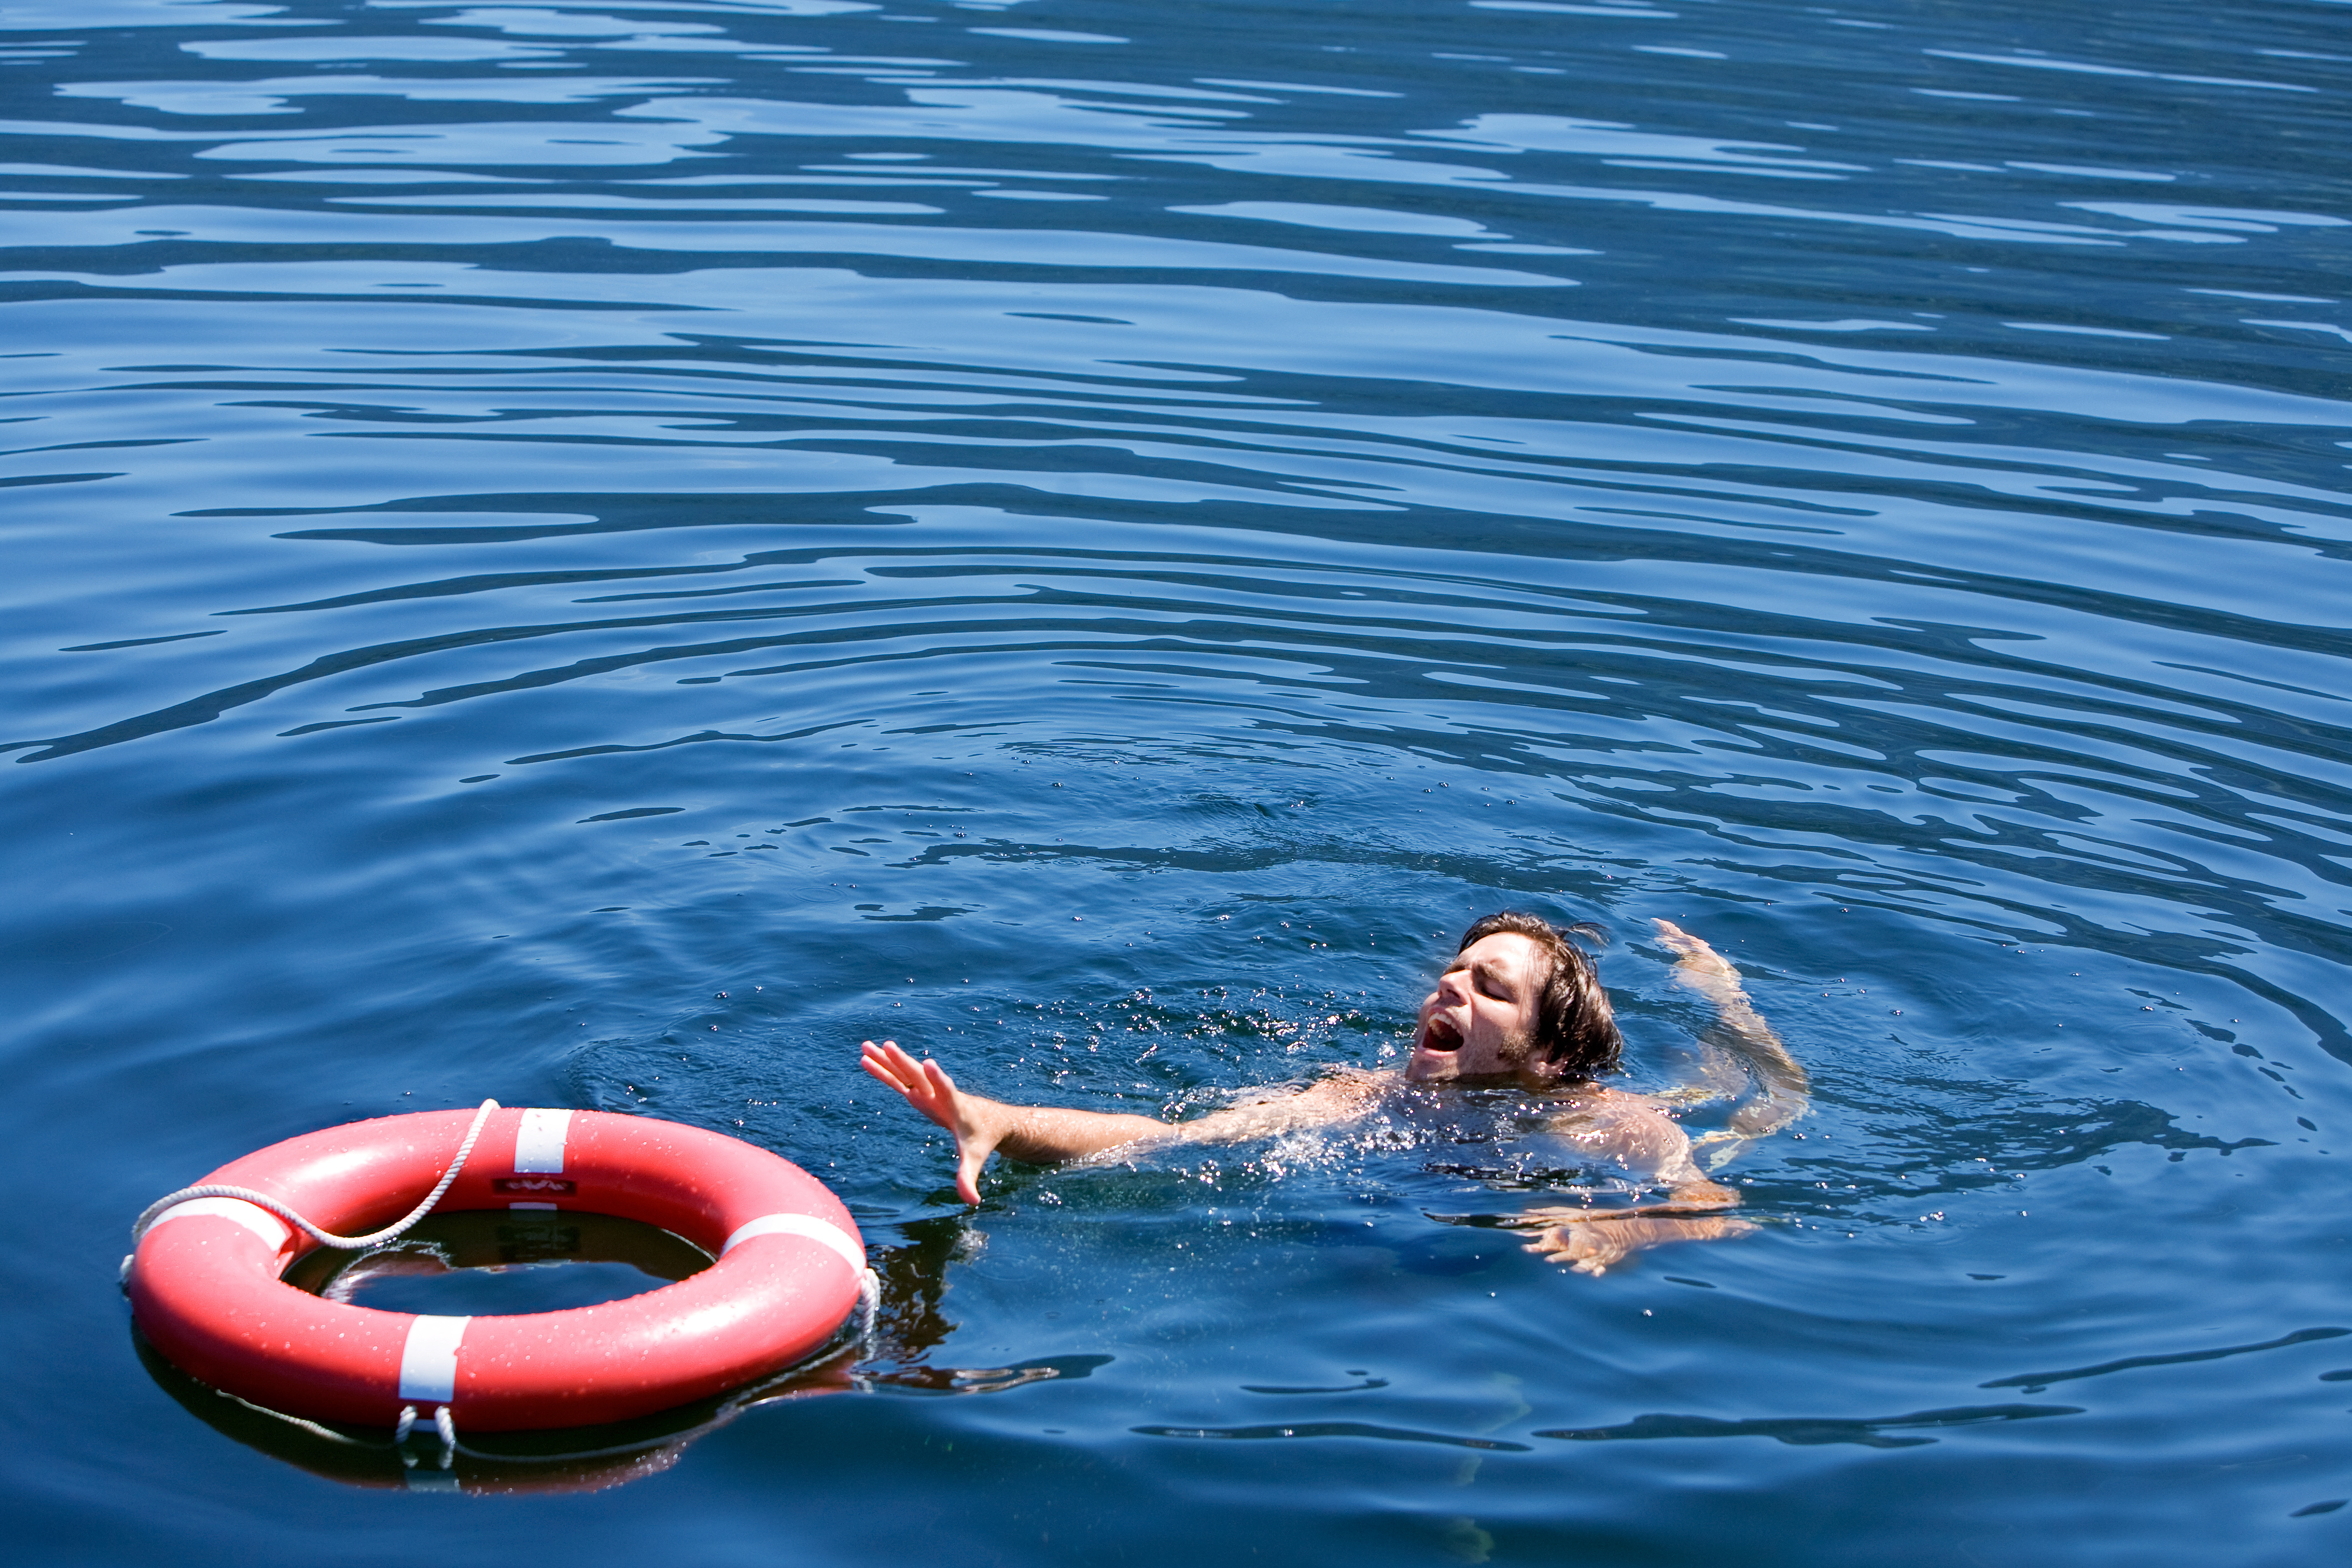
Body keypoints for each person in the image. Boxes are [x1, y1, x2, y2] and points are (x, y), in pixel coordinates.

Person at [860, 913, 1807, 1275]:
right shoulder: (1360, 1095)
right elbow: (1168, 1136)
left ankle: (1721, 992)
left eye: (1491, 989)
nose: (1450, 989)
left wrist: (1618, 1231)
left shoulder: (1611, 1123)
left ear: (1549, 1054)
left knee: (1755, 1095)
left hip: (1663, 1129)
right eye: (1455, 972)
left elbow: (1716, 1211)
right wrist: (999, 1120)